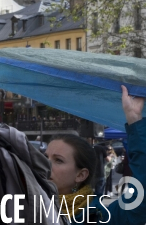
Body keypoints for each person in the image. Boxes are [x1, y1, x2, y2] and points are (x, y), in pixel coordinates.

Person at [45, 85, 145, 224]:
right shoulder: (24, 209)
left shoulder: (101, 215)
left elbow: (140, 197)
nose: (46, 164)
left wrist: (134, 119)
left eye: (58, 160)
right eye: (45, 157)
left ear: (81, 175)